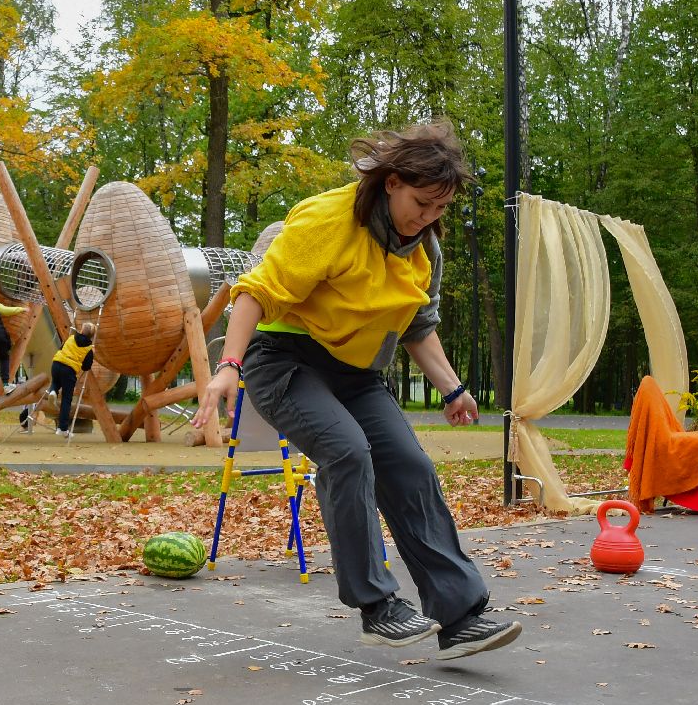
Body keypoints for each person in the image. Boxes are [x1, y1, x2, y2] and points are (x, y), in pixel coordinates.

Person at [194, 121, 518, 662]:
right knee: (346, 450)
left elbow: (417, 324)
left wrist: (452, 387)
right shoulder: (329, 220)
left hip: (355, 372)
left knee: (410, 468)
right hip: (282, 360)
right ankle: (378, 606)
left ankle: (459, 617)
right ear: (391, 182)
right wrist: (228, 365)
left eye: (440, 209)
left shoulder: (422, 252)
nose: (428, 218)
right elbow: (255, 292)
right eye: (421, 203)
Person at [49, 323, 96, 436]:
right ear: (92, 336)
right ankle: (63, 429)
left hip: (56, 363)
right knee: (66, 399)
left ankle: (53, 391)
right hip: (69, 370)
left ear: (81, 330)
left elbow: (61, 348)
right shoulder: (88, 349)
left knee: (55, 381)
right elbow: (86, 367)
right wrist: (91, 355)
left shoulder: (71, 338)